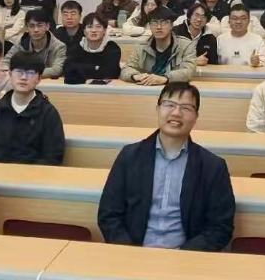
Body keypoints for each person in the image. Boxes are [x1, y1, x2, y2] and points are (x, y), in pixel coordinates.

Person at [97, 83, 236, 251]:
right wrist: (130, 252)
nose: (176, 113)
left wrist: (183, 256)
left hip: (187, 257)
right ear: (157, 109)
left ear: (196, 117)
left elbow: (220, 227)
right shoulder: (129, 156)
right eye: (169, 105)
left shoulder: (213, 166)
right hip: (132, 253)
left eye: (186, 108)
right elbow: (109, 214)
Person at [0, 52, 65, 165]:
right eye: (19, 72)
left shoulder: (48, 113)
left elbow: (53, 156)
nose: (23, 77)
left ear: (39, 79)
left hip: (35, 174)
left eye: (30, 73)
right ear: (10, 75)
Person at [122, 7, 197, 85]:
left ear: (171, 25)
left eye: (164, 23)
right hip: (147, 88)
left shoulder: (186, 46)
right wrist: (136, 76)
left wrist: (165, 78)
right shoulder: (141, 47)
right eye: (154, 23)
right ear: (149, 26)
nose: (159, 27)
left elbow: (188, 71)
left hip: (173, 88)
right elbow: (126, 69)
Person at [2, 9, 66, 79]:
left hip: (47, 82)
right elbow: (6, 61)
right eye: (31, 26)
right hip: (23, 81)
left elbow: (57, 70)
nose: (36, 30)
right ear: (26, 28)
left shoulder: (59, 46)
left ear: (47, 26)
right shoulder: (21, 42)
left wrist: (27, 74)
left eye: (40, 25)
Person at [64, 13, 123, 83]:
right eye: (89, 27)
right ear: (84, 31)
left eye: (98, 27)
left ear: (104, 30)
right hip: (79, 87)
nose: (94, 30)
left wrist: (81, 69)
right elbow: (68, 70)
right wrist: (96, 68)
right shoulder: (76, 47)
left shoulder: (112, 48)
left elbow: (112, 73)